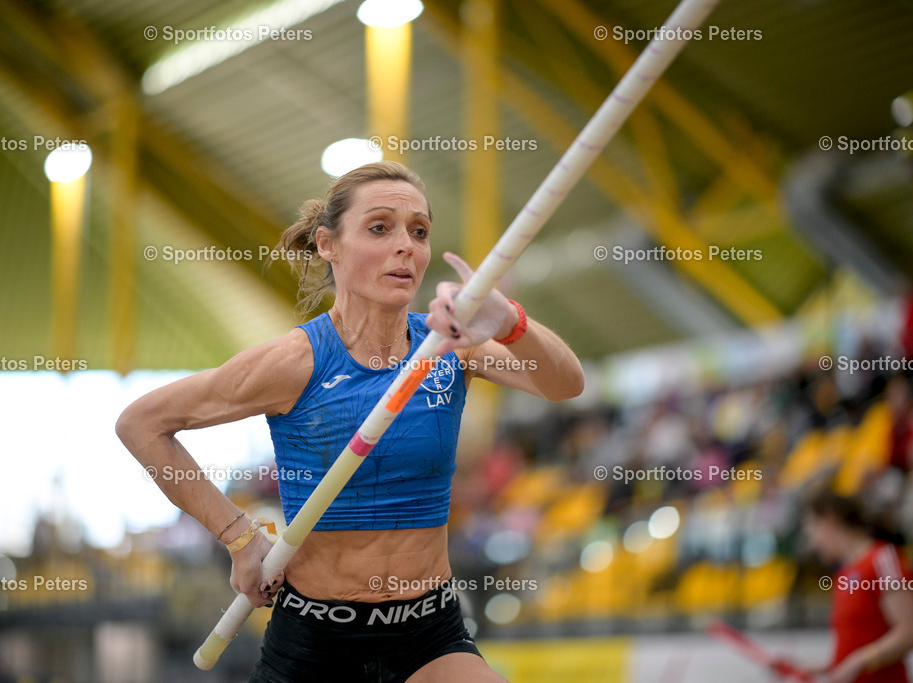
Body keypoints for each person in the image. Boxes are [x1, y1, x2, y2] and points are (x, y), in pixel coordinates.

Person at [116, 161, 584, 682]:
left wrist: (512, 323)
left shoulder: (451, 347)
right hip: (317, 644)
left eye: (420, 231)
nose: (406, 245)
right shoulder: (295, 363)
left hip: (429, 633)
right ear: (327, 244)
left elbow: (565, 384)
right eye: (380, 228)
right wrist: (240, 538)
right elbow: (142, 423)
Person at [778, 488, 913, 683]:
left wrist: (862, 661)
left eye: (812, 531)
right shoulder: (843, 574)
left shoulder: (882, 559)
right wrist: (809, 668)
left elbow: (908, 631)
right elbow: (851, 652)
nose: (813, 544)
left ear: (829, 520)